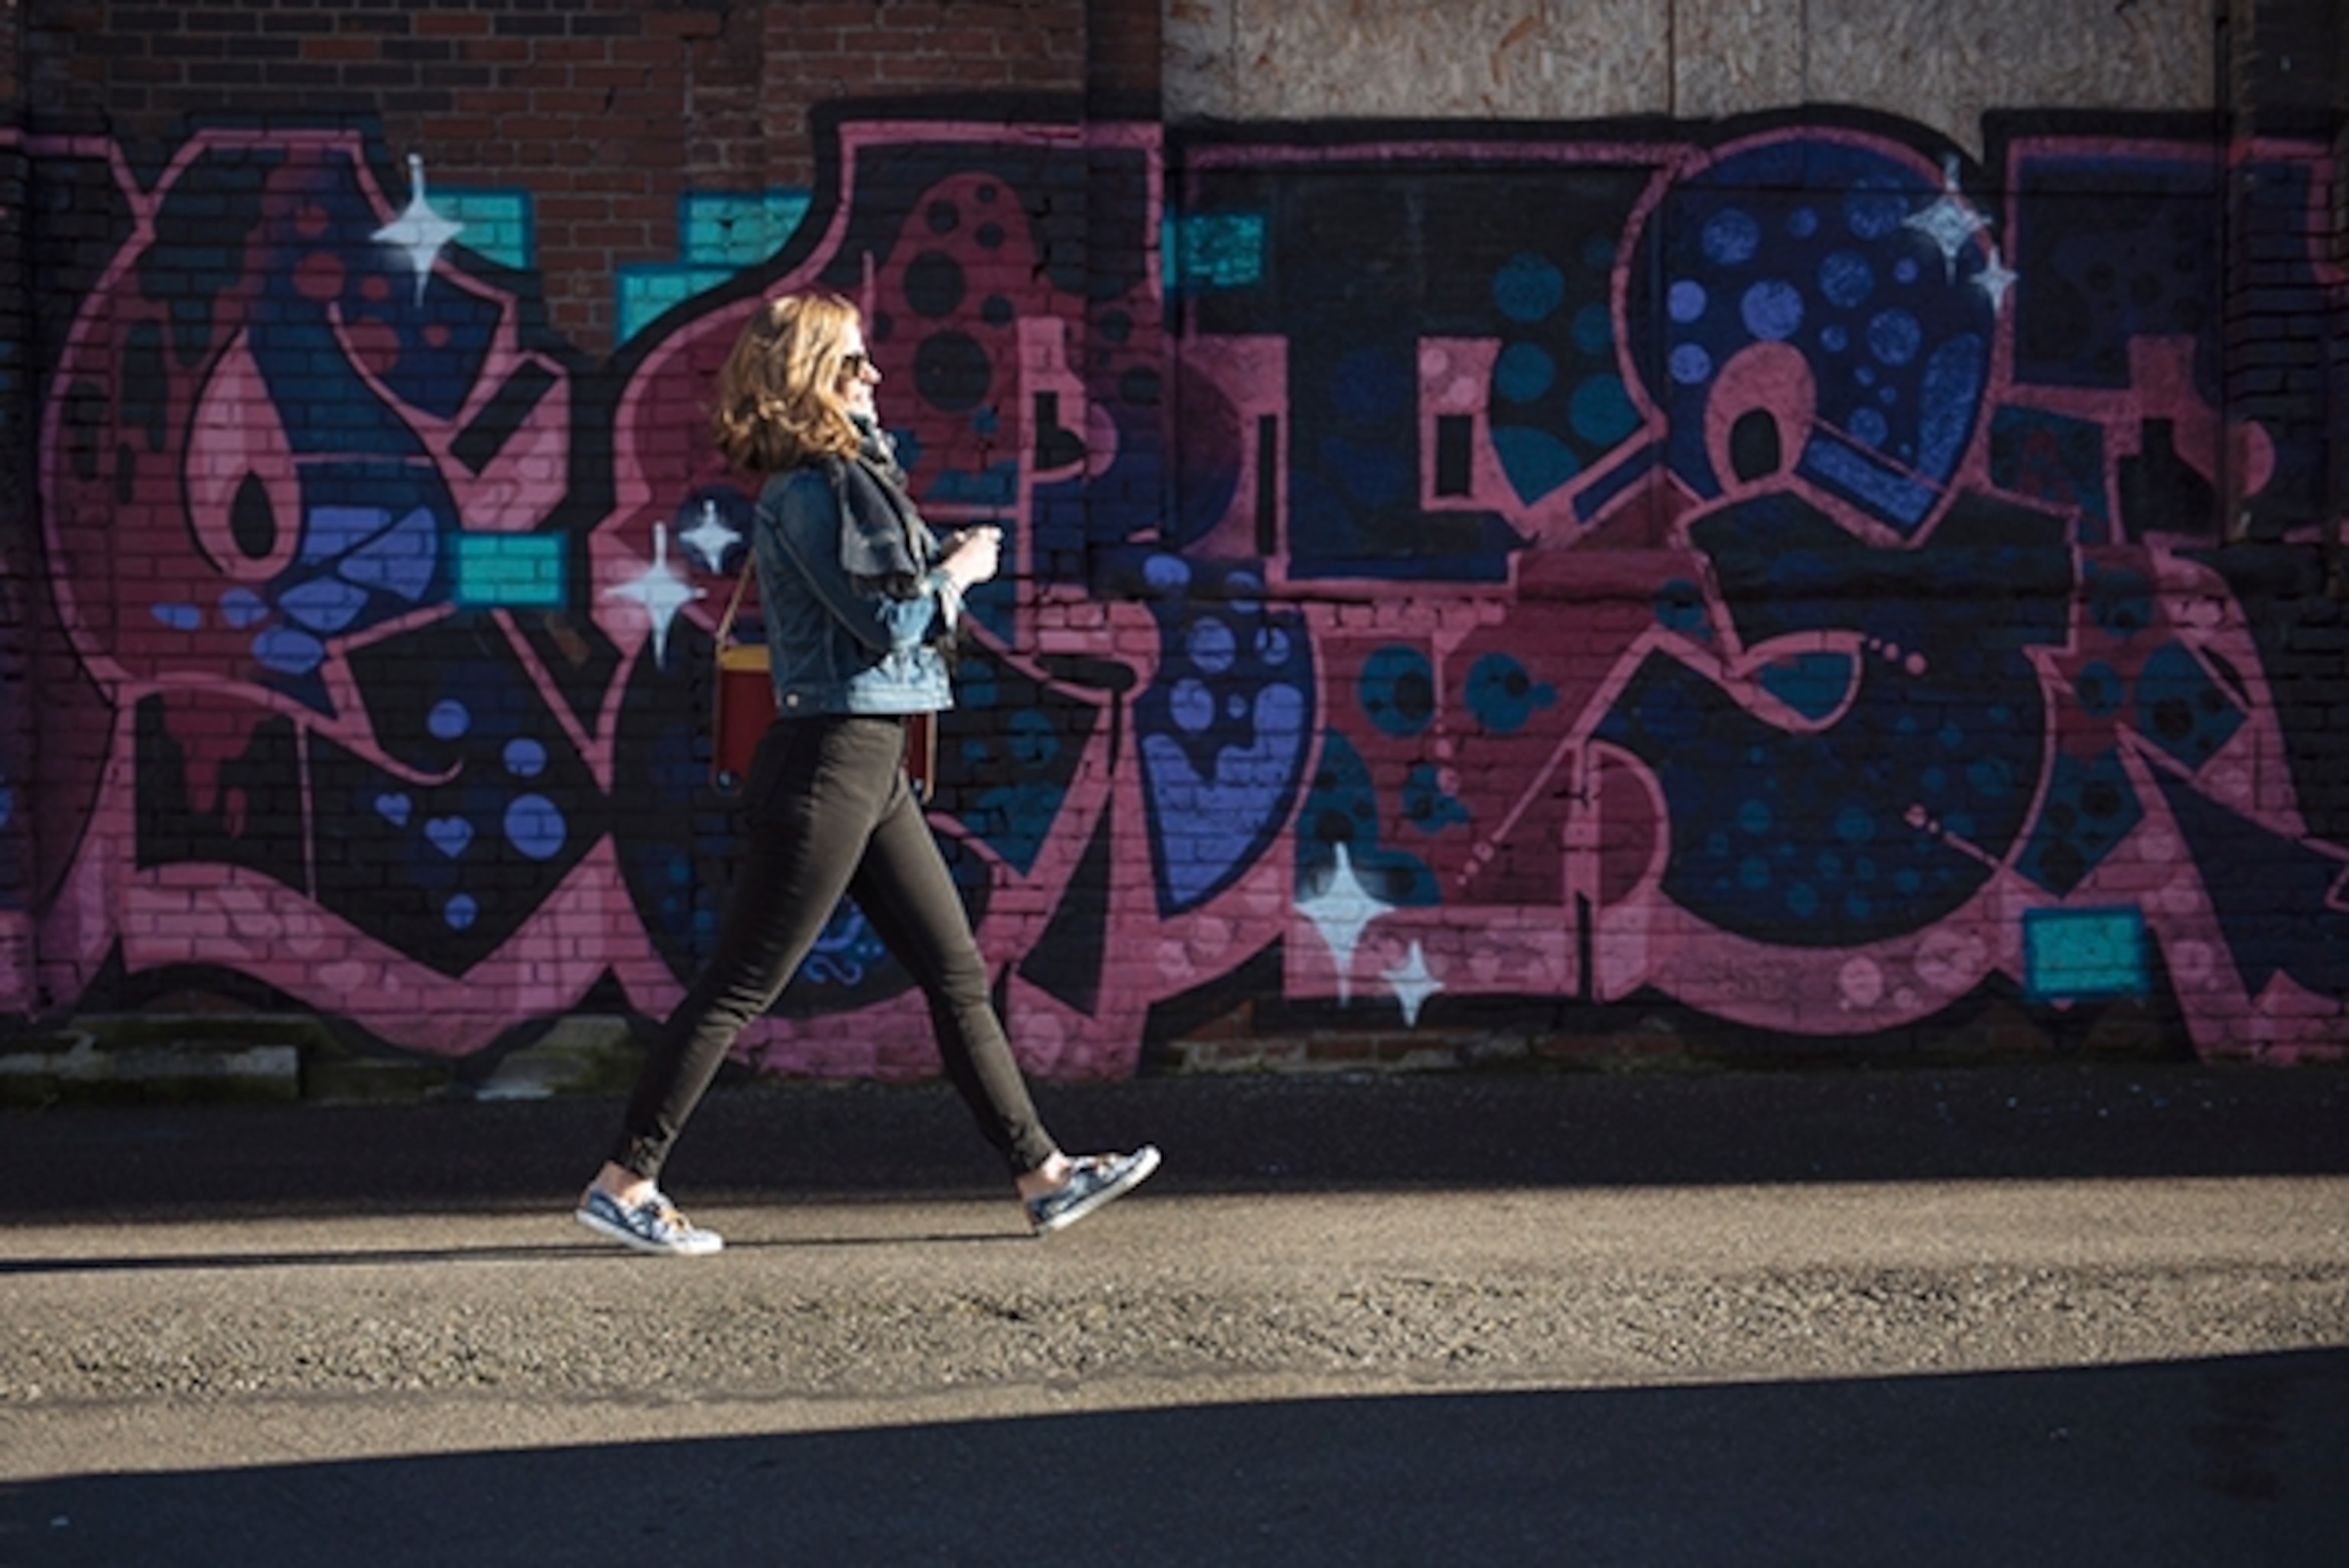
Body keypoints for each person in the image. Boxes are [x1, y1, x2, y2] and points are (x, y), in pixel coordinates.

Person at [576, 290, 1158, 1256]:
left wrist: (936, 565)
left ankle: (1045, 1176)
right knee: (740, 984)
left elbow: (887, 601)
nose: (874, 374)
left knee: (956, 973)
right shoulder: (815, 488)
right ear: (810, 376)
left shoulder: (850, 477)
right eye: (852, 362)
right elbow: (888, 622)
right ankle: (625, 1180)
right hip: (831, 762)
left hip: (871, 763)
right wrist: (960, 572)